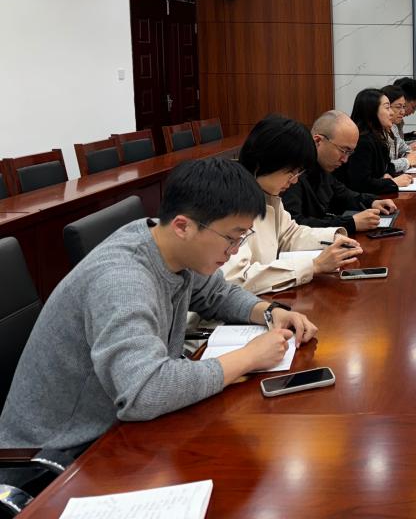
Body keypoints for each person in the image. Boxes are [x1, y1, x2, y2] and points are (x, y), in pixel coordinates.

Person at [0, 158, 318, 453]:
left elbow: (216, 292)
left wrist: (270, 312)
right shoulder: (122, 280)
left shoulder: (166, 240)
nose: (235, 251)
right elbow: (145, 391)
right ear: (182, 226)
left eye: (242, 238)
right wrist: (248, 357)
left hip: (121, 430)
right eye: (231, 239)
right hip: (59, 456)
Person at [223, 114, 362, 294]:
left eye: (298, 173)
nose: (295, 180)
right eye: (292, 172)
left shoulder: (268, 194)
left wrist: (333, 238)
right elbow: (238, 279)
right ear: (265, 162)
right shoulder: (230, 202)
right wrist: (313, 266)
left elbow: (289, 234)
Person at [281, 109, 398, 233]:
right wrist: (351, 224)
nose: (345, 159)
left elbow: (344, 195)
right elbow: (294, 224)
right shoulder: (293, 172)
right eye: (343, 150)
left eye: (350, 152)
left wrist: (372, 202)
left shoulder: (322, 167)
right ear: (318, 141)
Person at [339, 88, 414, 194]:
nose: (391, 113)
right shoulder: (362, 140)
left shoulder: (378, 137)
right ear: (372, 111)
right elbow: (360, 184)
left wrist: (384, 176)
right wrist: (393, 182)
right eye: (387, 108)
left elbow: (385, 168)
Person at [381, 84, 416, 173]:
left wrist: (411, 156)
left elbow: (405, 150)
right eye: (398, 107)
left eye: (403, 107)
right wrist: (407, 161)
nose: (403, 112)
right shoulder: (374, 134)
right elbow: (384, 168)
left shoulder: (393, 127)